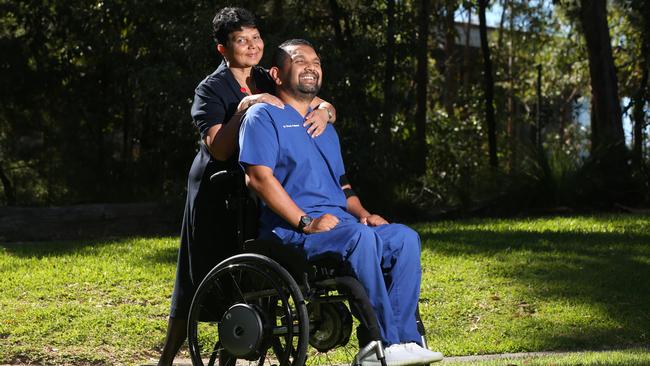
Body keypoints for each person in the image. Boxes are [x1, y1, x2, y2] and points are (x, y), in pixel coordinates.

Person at [239, 39, 443, 366]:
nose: (311, 66)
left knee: (404, 237)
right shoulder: (263, 116)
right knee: (359, 238)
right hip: (294, 234)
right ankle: (380, 345)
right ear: (277, 74)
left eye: (316, 61)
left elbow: (342, 185)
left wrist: (364, 213)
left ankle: (406, 342)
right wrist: (306, 222)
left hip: (345, 227)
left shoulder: (324, 126)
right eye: (300, 60)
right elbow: (258, 179)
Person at [157, 9, 336, 366]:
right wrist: (245, 107)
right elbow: (219, 148)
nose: (253, 46)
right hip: (215, 191)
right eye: (242, 40)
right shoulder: (210, 89)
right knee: (197, 280)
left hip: (256, 189)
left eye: (256, 38)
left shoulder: (268, 78)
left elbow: (311, 98)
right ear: (223, 48)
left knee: (252, 276)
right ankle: (166, 359)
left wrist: (326, 110)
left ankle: (232, 353)